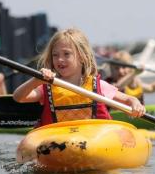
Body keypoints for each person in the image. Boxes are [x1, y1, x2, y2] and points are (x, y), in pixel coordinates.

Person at [13, 28, 145, 127]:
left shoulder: (98, 85)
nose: (60, 59)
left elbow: (128, 99)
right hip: (57, 141)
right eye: (55, 55)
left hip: (94, 141)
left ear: (82, 57)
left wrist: (136, 104)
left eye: (66, 54)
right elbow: (18, 97)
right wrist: (36, 80)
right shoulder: (47, 87)